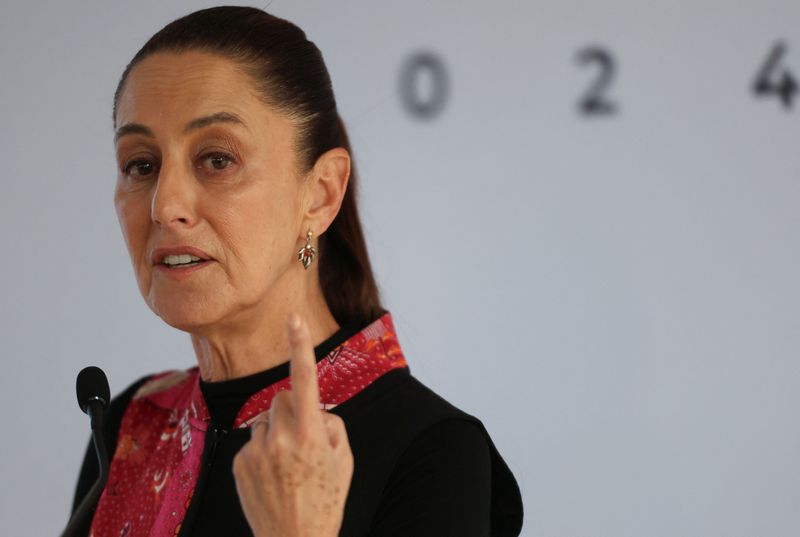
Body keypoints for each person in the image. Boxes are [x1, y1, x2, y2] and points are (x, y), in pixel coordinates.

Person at [71, 6, 523, 536]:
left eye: (216, 159)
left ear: (321, 194)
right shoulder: (132, 423)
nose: (164, 205)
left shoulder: (432, 450)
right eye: (141, 165)